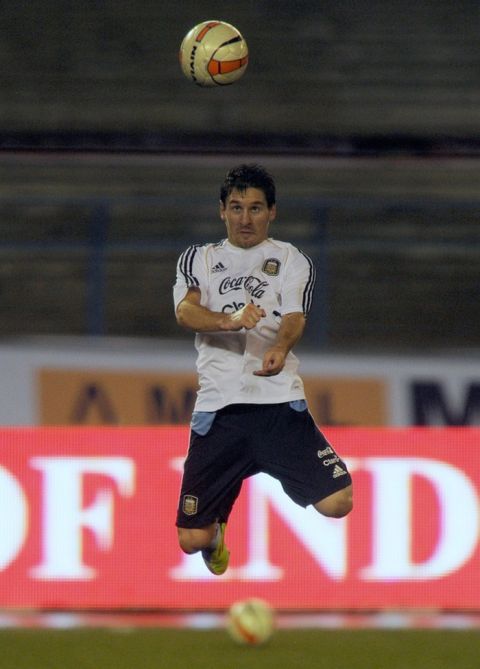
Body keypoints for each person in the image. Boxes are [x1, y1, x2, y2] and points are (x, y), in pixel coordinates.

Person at [173, 163, 353, 575]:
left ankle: (269, 477)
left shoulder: (291, 260)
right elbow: (186, 311)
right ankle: (216, 529)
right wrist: (230, 320)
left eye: (255, 208)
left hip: (278, 406)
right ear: (222, 211)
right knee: (191, 541)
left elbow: (294, 316)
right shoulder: (198, 259)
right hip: (219, 412)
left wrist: (280, 346)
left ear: (272, 212)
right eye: (236, 208)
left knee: (338, 502)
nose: (245, 218)